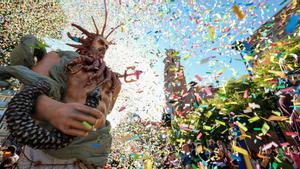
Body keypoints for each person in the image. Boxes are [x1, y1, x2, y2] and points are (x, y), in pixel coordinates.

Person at [0, 5, 122, 168]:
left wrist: (90, 125)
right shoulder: (58, 58)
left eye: (107, 47)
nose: (103, 48)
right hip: (45, 155)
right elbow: (29, 89)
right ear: (88, 41)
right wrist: (52, 110)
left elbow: (101, 117)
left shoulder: (114, 81)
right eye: (101, 42)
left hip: (89, 156)